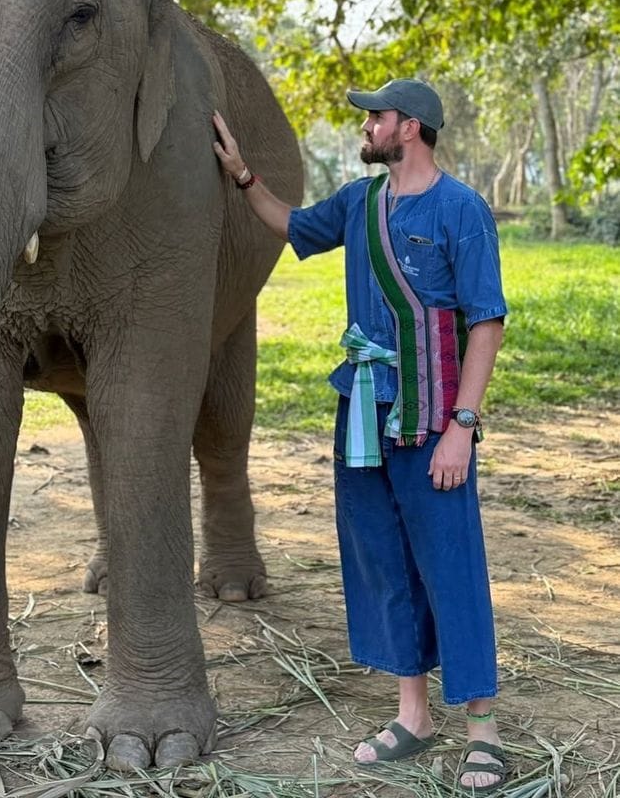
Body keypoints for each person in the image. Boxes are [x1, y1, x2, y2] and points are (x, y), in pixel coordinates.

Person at [213, 78, 508, 794]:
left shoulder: (461, 210)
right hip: (364, 413)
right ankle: (413, 716)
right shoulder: (360, 202)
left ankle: (483, 731)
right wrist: (244, 175)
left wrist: (461, 429)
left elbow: (486, 322)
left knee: (450, 563)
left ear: (408, 127)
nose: (366, 126)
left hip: (434, 416)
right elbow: (290, 225)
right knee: (381, 559)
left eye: (375, 116)